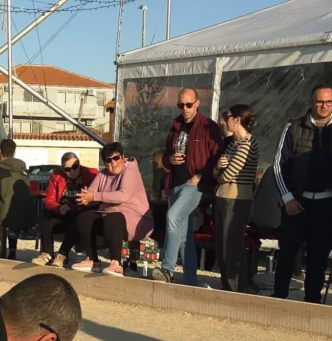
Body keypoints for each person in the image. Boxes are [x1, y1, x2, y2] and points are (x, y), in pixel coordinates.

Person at [272, 85, 332, 303]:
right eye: (320, 102)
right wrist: (287, 198)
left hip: (327, 205)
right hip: (297, 202)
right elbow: (278, 165)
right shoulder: (293, 127)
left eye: (329, 102)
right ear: (311, 102)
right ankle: (278, 299)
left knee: (318, 259)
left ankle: (312, 303)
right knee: (288, 254)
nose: (324, 106)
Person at [151, 88, 222, 285]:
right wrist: (170, 159)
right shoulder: (176, 125)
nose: (185, 108)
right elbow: (165, 155)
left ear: (197, 104)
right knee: (183, 235)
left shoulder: (209, 126)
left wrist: (199, 176)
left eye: (188, 104)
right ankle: (190, 281)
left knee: (172, 217)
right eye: (181, 105)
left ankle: (167, 269)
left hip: (195, 185)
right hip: (175, 183)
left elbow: (217, 156)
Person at [72, 142, 154, 277]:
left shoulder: (131, 170)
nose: (113, 163)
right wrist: (85, 197)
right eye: (108, 160)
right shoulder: (102, 174)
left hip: (135, 218)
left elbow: (124, 195)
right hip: (108, 215)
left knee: (114, 217)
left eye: (116, 158)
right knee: (84, 217)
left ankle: (116, 263)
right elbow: (92, 192)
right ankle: (92, 260)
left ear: (122, 157)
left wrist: (94, 196)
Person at [213, 105, 259, 292]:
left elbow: (227, 175)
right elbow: (218, 173)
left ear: (237, 120)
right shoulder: (233, 144)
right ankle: (228, 286)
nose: (226, 120)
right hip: (223, 197)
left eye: (228, 117)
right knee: (222, 245)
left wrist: (221, 171)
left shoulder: (248, 144)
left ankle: (237, 288)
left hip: (236, 200)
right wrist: (218, 167)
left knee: (231, 245)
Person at [32, 152, 97, 268]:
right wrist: (58, 208)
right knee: (46, 215)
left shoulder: (90, 174)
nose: (72, 172)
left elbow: (93, 200)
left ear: (79, 164)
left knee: (78, 219)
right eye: (67, 169)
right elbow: (49, 200)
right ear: (63, 168)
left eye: (75, 167)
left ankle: (62, 254)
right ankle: (47, 253)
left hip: (79, 211)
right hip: (62, 211)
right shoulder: (57, 176)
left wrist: (74, 207)